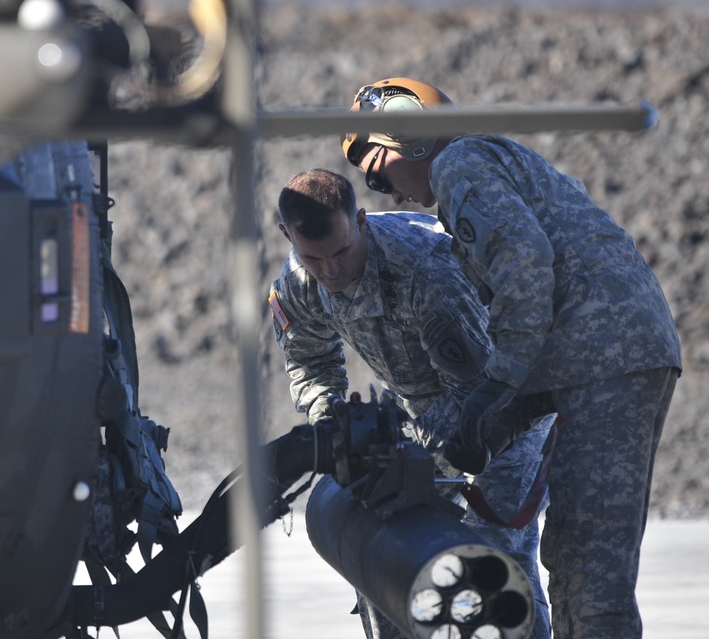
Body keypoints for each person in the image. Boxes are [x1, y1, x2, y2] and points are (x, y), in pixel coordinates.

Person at [342, 77, 682, 639]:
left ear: (410, 132)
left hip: (605, 357)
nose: (382, 190)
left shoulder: (461, 166)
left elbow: (524, 269)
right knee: (575, 558)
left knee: (591, 575)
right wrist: (466, 431)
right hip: (600, 356)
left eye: (375, 166)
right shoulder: (479, 166)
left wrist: (493, 385)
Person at [269, 168, 554, 639]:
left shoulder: (426, 269)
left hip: (506, 413)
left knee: (491, 561)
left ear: (360, 221)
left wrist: (401, 452)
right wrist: (334, 427)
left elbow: (480, 390)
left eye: (340, 251)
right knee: (381, 550)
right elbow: (308, 360)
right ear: (287, 236)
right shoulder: (300, 279)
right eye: (313, 257)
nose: (330, 271)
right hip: (418, 413)